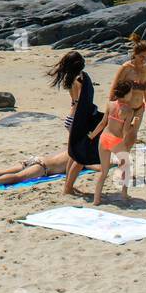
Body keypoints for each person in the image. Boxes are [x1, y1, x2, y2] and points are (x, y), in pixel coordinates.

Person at [49, 51, 104, 194]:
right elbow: (81, 102)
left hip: (70, 118)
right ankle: (68, 188)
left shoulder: (71, 78)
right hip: (76, 119)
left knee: (74, 154)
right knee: (80, 156)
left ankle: (68, 185)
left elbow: (75, 102)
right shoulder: (79, 78)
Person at [92, 78, 146, 205]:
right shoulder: (129, 110)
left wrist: (92, 136)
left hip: (103, 137)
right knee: (126, 166)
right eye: (131, 92)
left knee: (103, 172)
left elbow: (102, 123)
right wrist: (135, 123)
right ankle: (124, 194)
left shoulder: (110, 104)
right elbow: (125, 131)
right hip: (115, 140)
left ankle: (96, 199)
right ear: (126, 94)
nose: (132, 95)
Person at [0, 150, 72, 192]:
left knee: (2, 171)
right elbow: (87, 166)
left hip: (38, 159)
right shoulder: (81, 155)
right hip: (43, 167)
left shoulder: (72, 148)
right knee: (17, 177)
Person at [111, 33, 146, 131]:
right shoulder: (126, 68)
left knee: (132, 137)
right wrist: (110, 110)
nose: (144, 60)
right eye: (141, 56)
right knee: (121, 137)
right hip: (124, 109)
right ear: (134, 54)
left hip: (139, 108)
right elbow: (114, 89)